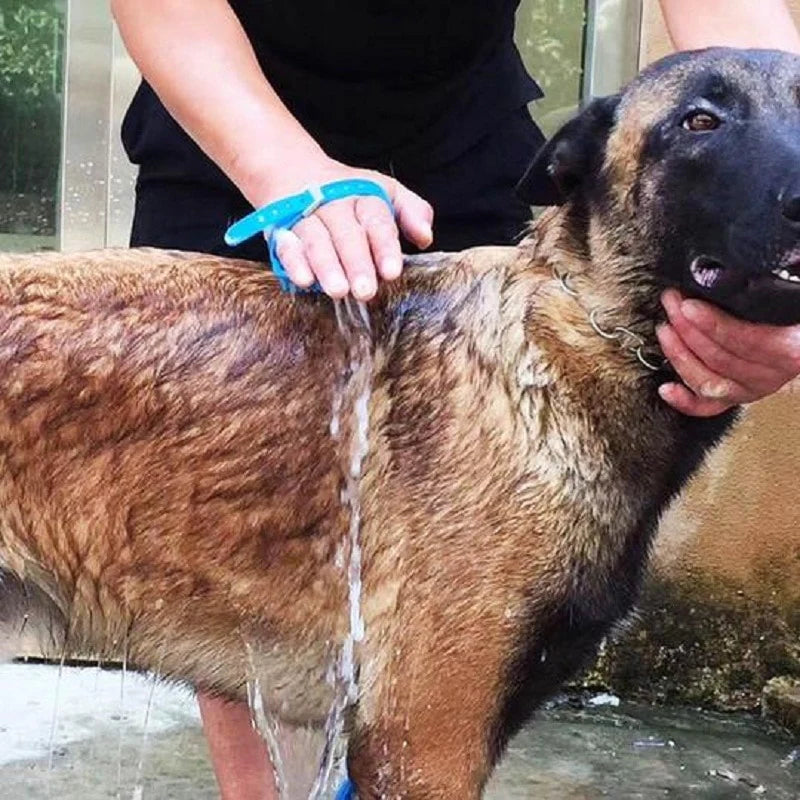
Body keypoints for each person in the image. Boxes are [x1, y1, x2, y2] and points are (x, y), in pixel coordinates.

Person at [111, 1, 800, 797]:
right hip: (230, 113)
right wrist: (285, 172)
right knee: (251, 515)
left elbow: (754, 50)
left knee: (446, 658)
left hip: (459, 135)